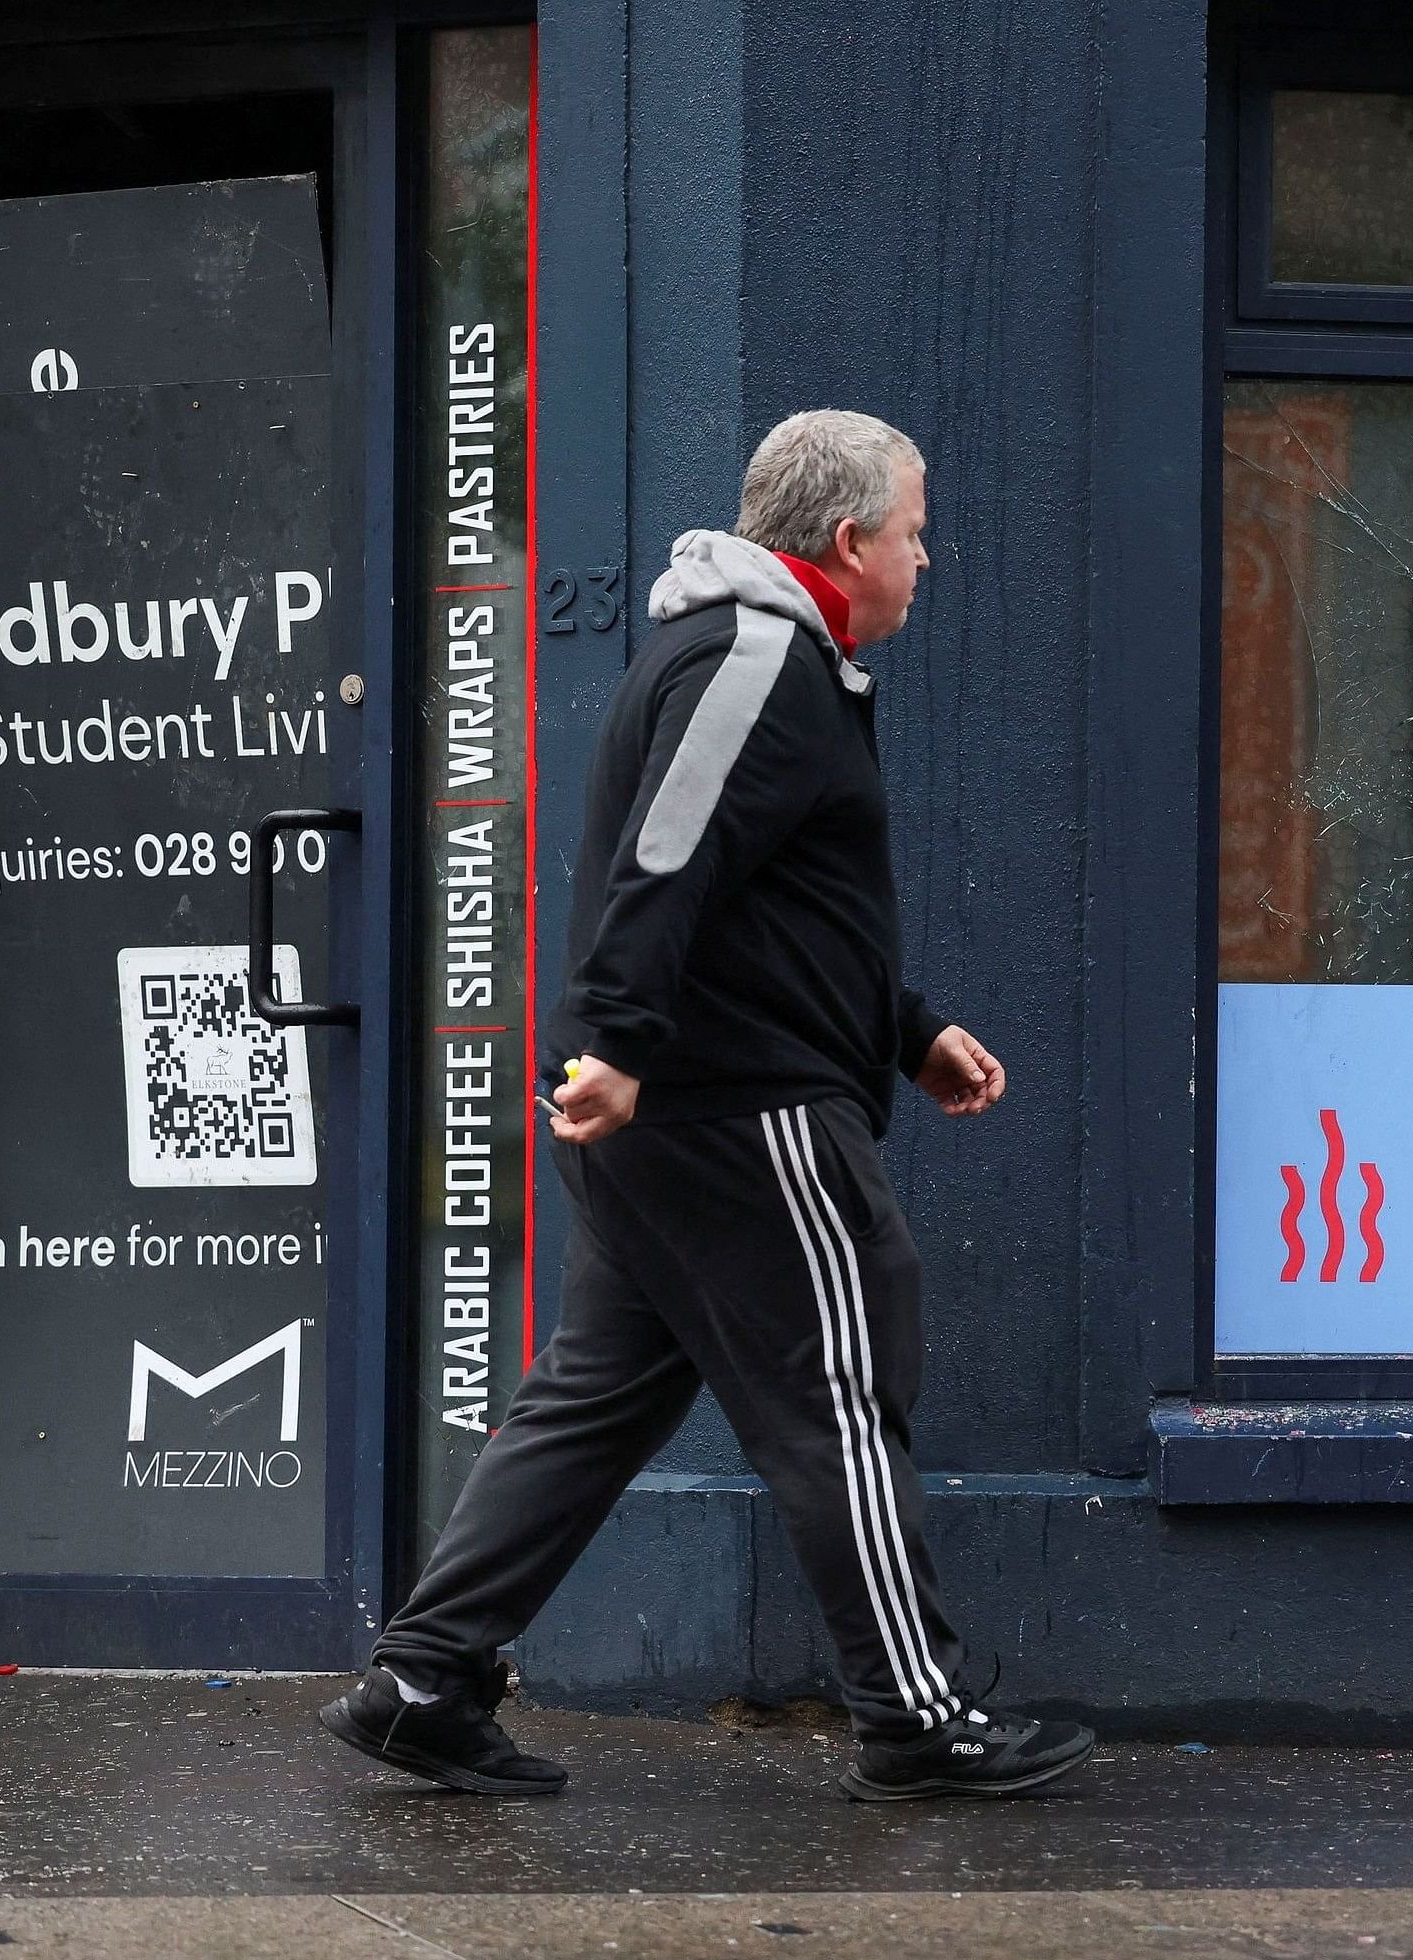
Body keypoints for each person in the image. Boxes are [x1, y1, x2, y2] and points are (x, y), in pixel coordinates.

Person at [321, 410, 1095, 1802]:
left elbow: (768, 898)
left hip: (676, 1104)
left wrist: (906, 1029)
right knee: (843, 1379)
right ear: (851, 540)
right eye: (917, 531)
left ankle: (424, 1676)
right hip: (734, 1109)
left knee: (597, 1400)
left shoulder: (781, 658)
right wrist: (617, 1035)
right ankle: (915, 1711)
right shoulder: (756, 653)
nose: (928, 558)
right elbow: (669, 850)